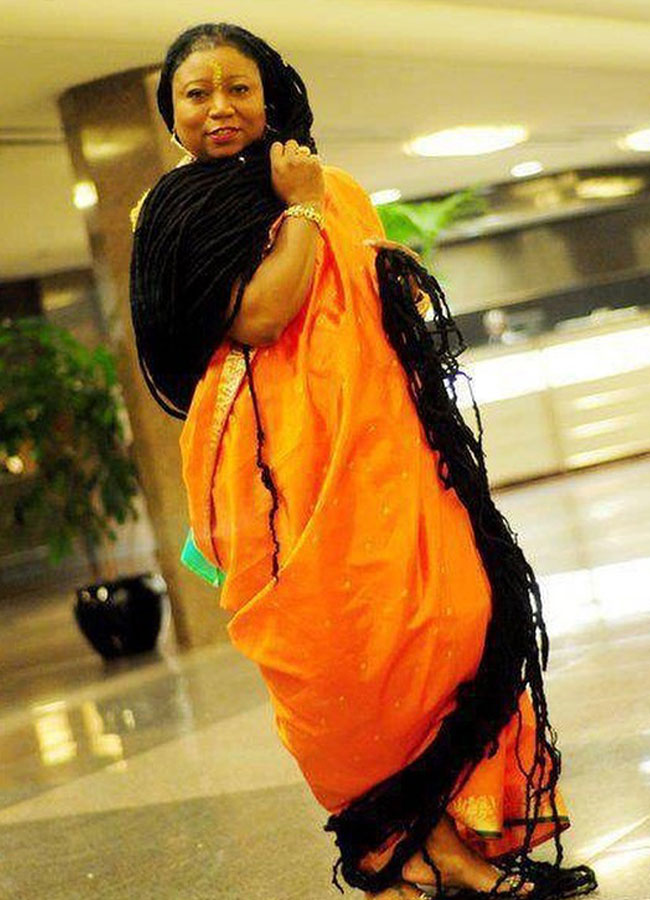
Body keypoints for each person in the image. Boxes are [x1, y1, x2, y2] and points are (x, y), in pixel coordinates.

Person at [129, 23, 597, 900]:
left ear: (272, 95)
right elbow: (262, 317)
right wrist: (298, 205)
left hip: (387, 443)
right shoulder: (179, 210)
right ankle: (401, 854)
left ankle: (457, 840)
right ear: (172, 111)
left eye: (239, 88)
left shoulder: (337, 187)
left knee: (444, 625)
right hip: (279, 465)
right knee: (342, 658)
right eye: (197, 94)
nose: (220, 109)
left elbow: (378, 303)